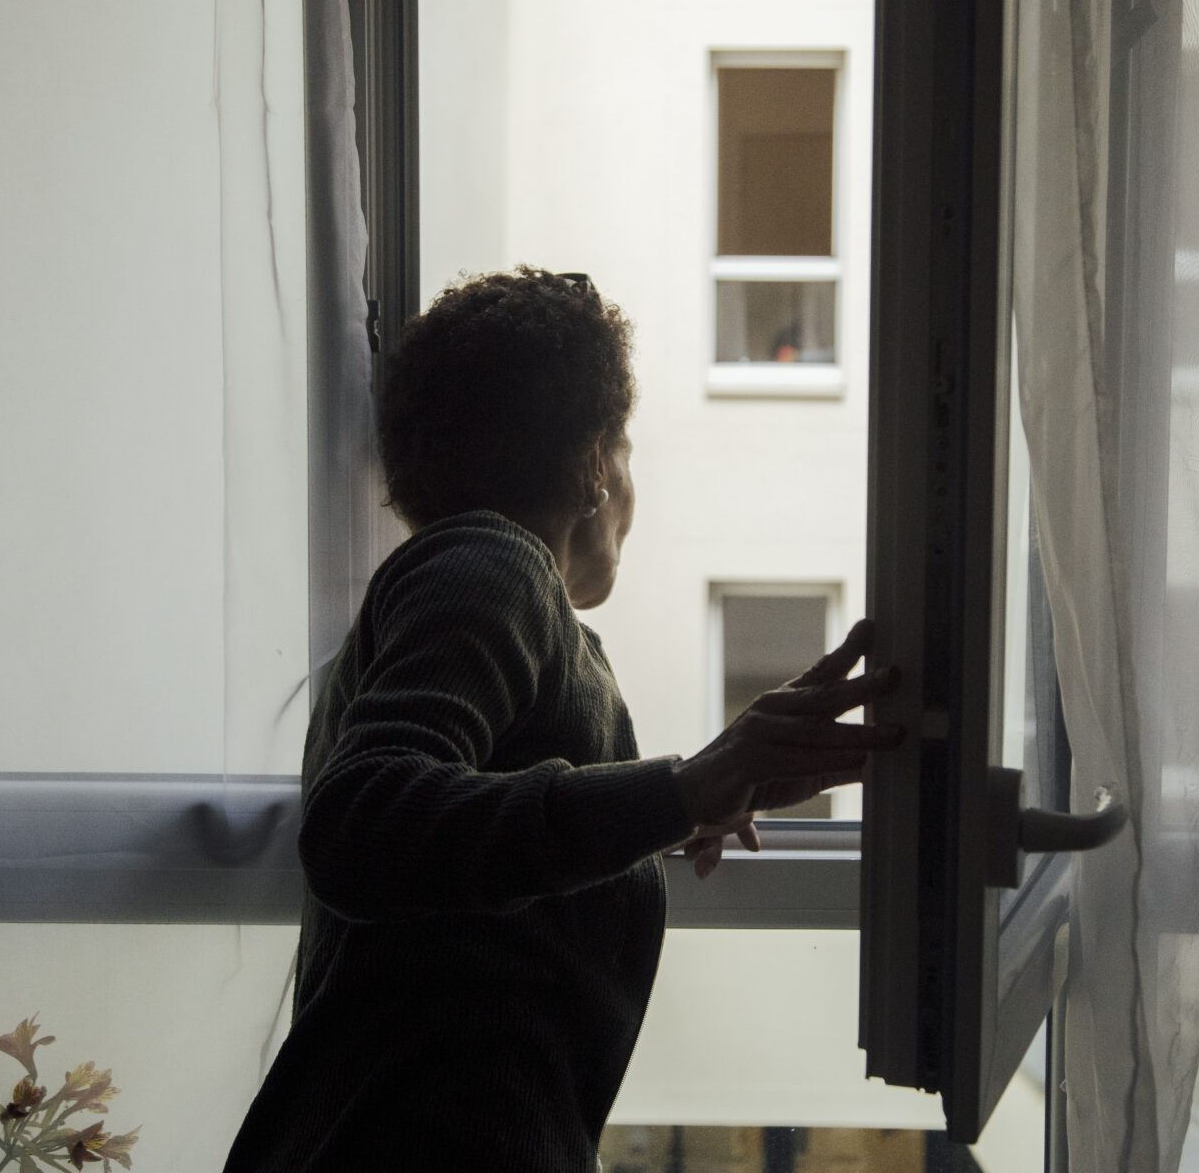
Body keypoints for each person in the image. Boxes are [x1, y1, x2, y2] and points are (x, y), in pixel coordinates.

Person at [222, 267, 899, 1172]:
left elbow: (471, 901)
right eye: (625, 448)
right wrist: (684, 787)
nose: (629, 482)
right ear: (592, 463)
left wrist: (682, 803)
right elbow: (364, 822)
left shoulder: (483, 594)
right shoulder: (490, 563)